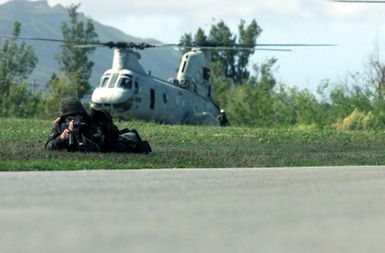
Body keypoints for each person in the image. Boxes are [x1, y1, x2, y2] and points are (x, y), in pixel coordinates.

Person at [45, 97, 151, 154]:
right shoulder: (61, 125)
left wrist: (79, 136)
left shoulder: (91, 123)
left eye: (75, 117)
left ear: (81, 115)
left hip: (111, 143)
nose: (72, 120)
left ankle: (130, 135)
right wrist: (61, 138)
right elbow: (48, 147)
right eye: (69, 118)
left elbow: (97, 148)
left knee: (124, 143)